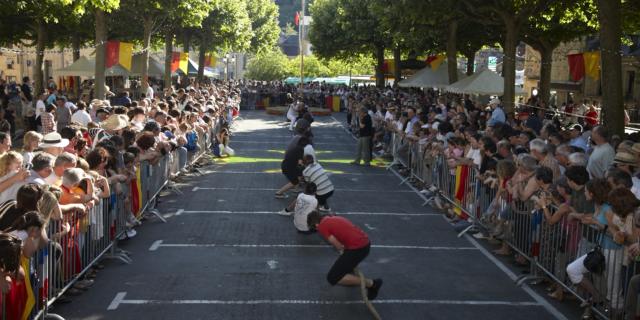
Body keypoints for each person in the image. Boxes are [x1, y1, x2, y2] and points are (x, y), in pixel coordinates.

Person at [307, 211, 383, 300]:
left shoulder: (321, 226)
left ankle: (372, 284)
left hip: (358, 249)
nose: (317, 230)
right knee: (344, 262)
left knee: (333, 278)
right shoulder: (334, 217)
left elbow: (337, 245)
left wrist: (342, 251)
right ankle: (349, 272)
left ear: (316, 224)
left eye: (315, 228)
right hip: (365, 243)